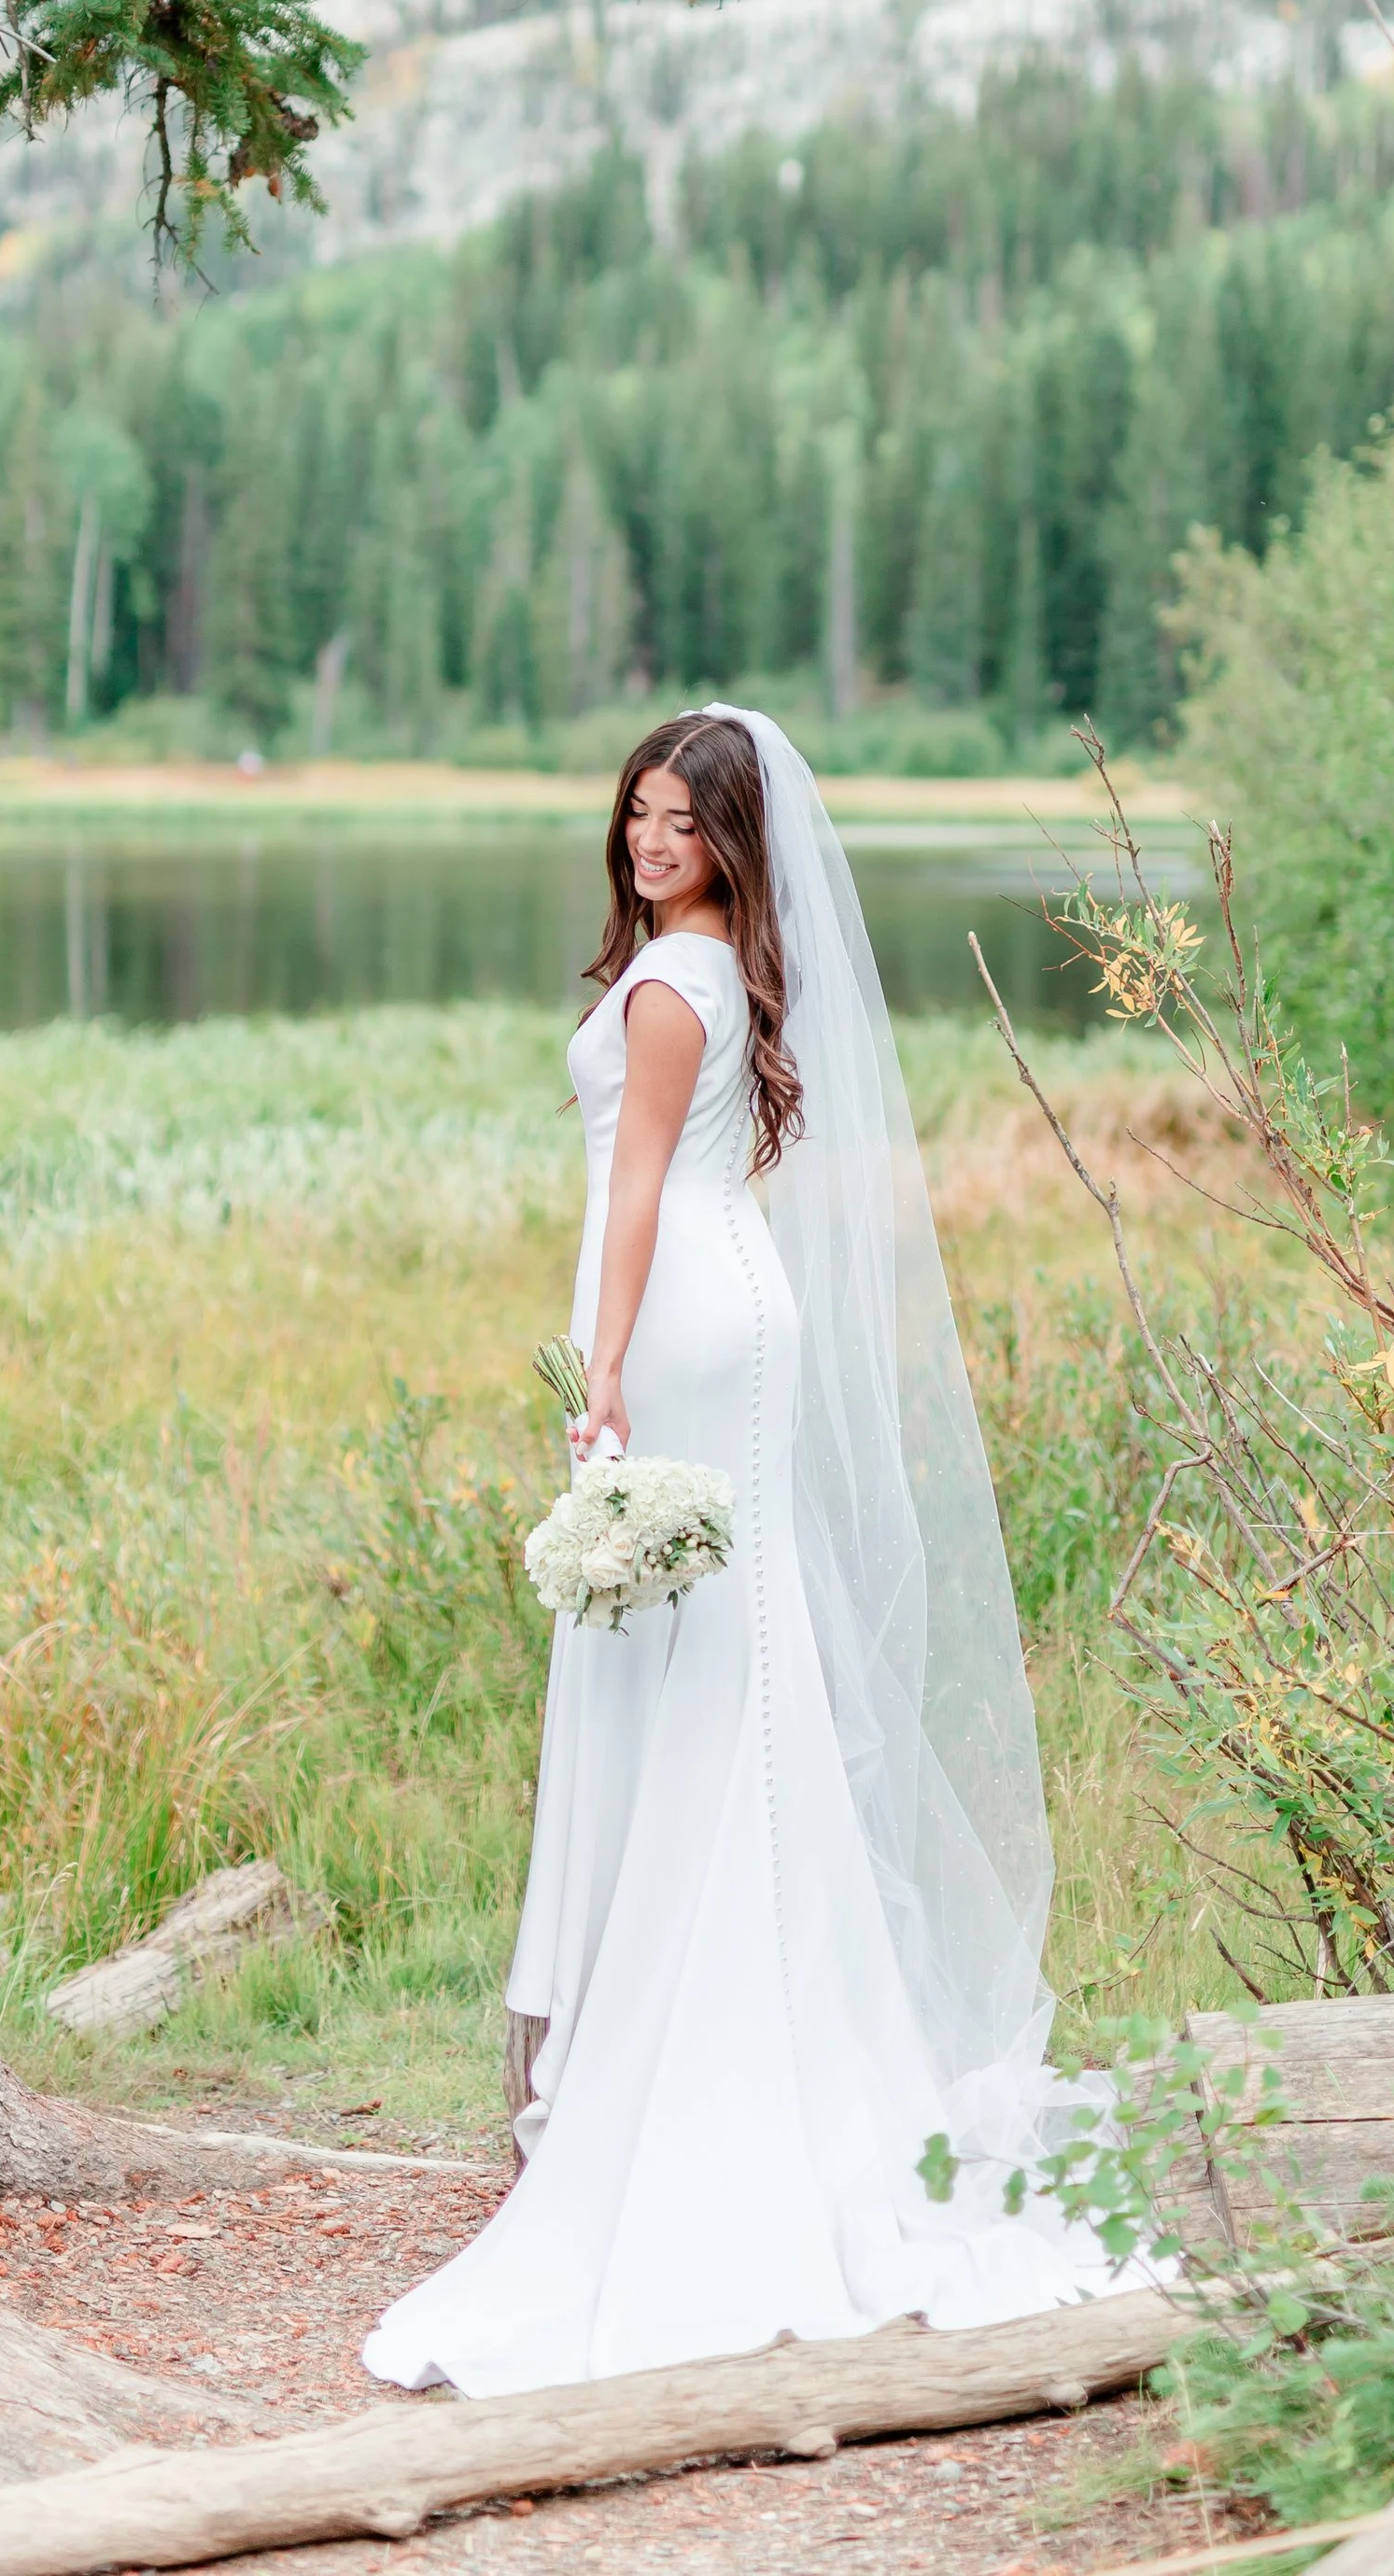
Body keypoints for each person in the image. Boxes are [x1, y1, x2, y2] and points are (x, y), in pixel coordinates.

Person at [364, 707, 1155, 2396]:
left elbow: (637, 1180)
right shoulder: (720, 970)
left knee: (693, 1664)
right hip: (739, 1310)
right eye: (637, 815)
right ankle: (755, 2037)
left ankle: (684, 2048)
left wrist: (604, 1368)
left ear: (732, 840)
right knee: (735, 1654)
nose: (649, 842)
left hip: (688, 1327)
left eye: (679, 823)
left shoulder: (669, 990)